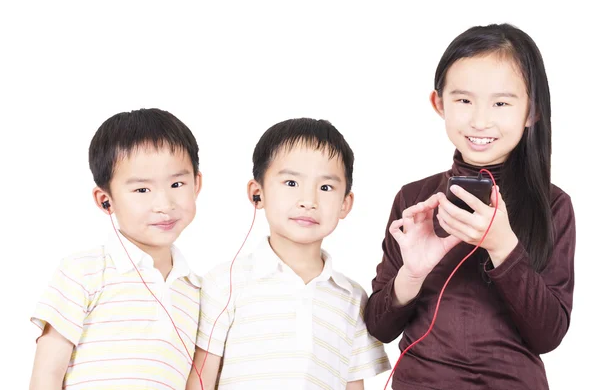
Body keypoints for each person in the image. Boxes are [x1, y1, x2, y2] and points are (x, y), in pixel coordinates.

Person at [364, 23, 576, 389]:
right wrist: (411, 275)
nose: (480, 120)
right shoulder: (414, 200)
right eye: (464, 100)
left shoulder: (553, 205)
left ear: (531, 112)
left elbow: (549, 335)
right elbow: (379, 327)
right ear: (439, 103)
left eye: (501, 103)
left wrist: (502, 247)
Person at [189, 118, 390, 390]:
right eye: (291, 183)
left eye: (326, 187)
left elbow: (353, 384)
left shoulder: (352, 298)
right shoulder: (224, 282)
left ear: (345, 204)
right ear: (257, 193)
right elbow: (202, 377)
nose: (308, 200)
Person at [29, 108, 204, 390]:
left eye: (177, 183)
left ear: (197, 184)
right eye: (141, 190)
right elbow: (47, 374)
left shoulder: (199, 293)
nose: (164, 203)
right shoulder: (83, 271)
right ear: (105, 200)